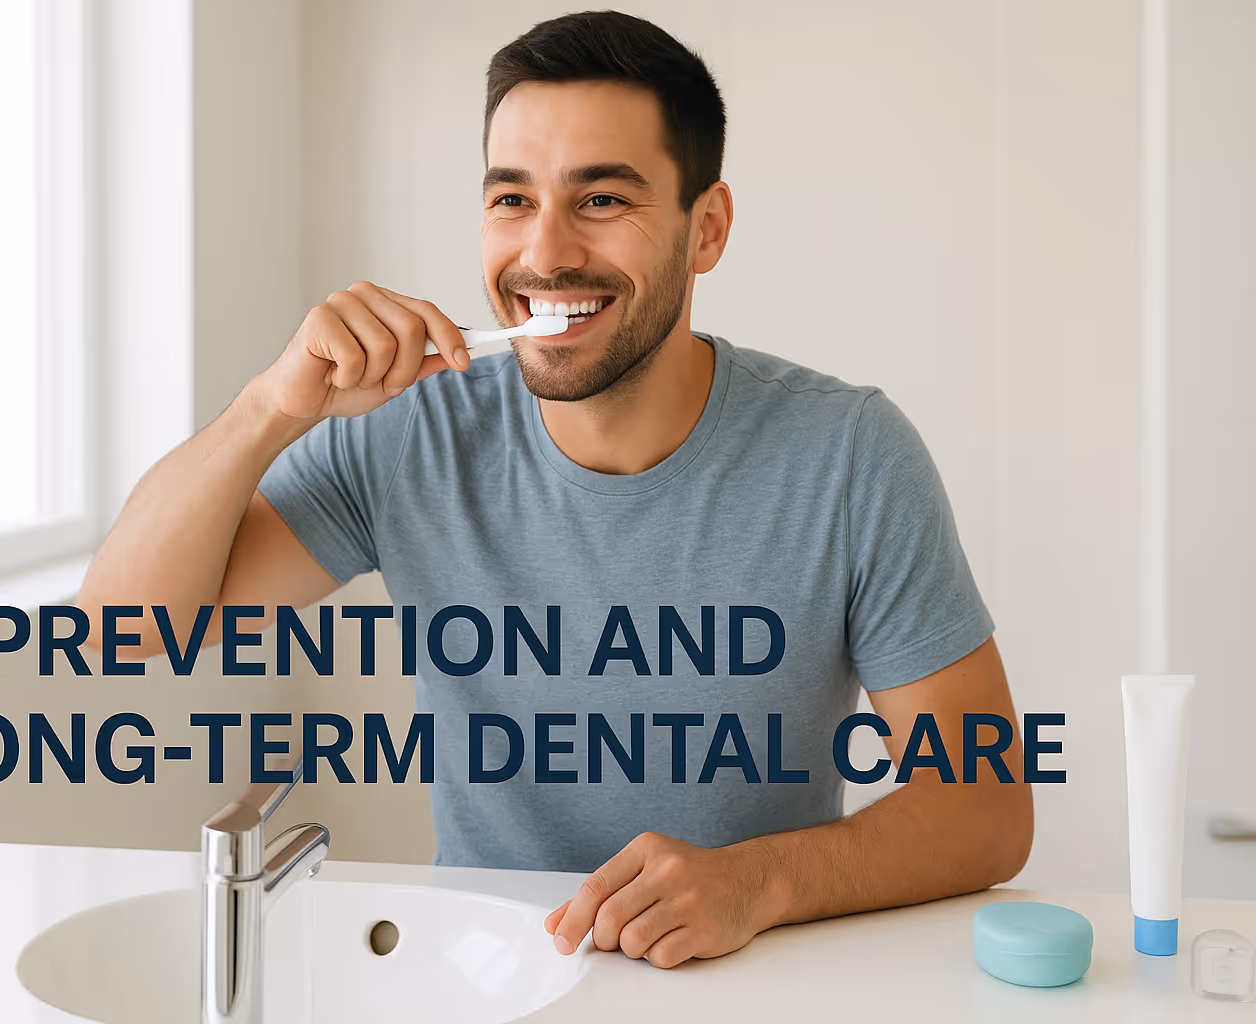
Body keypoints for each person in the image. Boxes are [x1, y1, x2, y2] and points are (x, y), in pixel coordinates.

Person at [78, 10, 1033, 970]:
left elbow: (984, 809)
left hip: (736, 981)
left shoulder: (850, 455)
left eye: (603, 199)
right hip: (476, 973)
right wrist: (267, 410)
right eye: (510, 200)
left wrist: (759, 879)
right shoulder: (411, 430)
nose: (546, 252)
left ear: (707, 230)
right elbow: (122, 635)